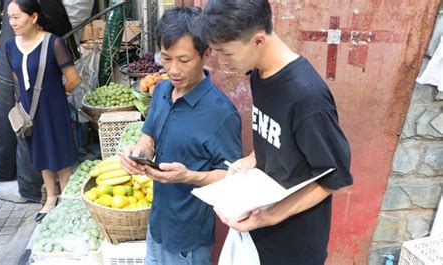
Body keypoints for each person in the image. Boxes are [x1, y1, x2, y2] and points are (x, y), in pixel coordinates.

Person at [199, 1, 354, 264]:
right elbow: (274, 135)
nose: (221, 62)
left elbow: (334, 176)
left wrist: (271, 216)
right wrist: (249, 161)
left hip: (294, 243)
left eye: (226, 53)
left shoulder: (307, 97)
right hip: (260, 228)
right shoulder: (259, 73)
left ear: (258, 40)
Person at [120, 6, 242, 265]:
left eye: (184, 60)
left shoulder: (220, 113)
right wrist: (138, 154)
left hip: (188, 241)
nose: (173, 69)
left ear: (206, 53)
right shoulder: (162, 90)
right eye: (166, 58)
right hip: (156, 228)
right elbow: (148, 138)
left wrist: (188, 176)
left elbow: (233, 179)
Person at [5, 0, 81, 221]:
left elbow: (74, 79)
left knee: (62, 155)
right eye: (10, 18)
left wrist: (58, 94)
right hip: (30, 111)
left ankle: (65, 199)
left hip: (54, 109)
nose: (12, 22)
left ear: (34, 17)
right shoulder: (11, 46)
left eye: (16, 17)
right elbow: (17, 77)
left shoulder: (53, 43)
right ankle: (50, 198)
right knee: (39, 153)